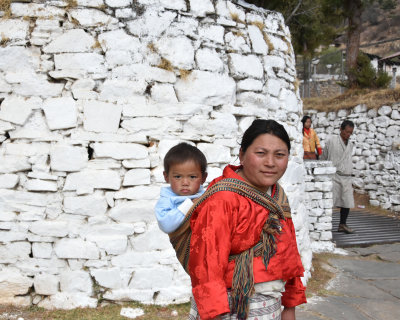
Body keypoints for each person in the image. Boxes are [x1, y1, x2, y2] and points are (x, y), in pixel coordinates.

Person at [183, 119, 306, 320]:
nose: (270, 163)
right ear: (242, 154)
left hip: (270, 307)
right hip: (230, 308)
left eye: (280, 155)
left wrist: (290, 306)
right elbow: (207, 266)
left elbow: (288, 250)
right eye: (261, 153)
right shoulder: (223, 199)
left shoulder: (277, 195)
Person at [155, 142, 208, 234]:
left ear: (203, 178)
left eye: (192, 177)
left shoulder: (206, 194)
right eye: (178, 177)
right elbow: (165, 225)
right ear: (166, 177)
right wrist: (189, 205)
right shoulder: (167, 200)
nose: (185, 183)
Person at [320, 120, 355, 234]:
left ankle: (342, 224)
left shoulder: (350, 144)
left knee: (347, 202)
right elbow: (324, 156)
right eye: (347, 132)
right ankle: (324, 224)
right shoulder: (332, 141)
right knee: (330, 201)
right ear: (341, 129)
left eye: (350, 132)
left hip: (346, 176)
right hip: (334, 175)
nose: (348, 134)